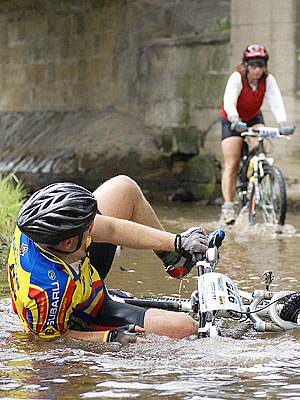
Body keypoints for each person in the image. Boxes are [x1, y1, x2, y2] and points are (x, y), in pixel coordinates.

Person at [8, 175, 209, 345]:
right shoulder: (45, 294)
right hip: (84, 310)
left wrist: (176, 242)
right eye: (88, 227)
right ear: (68, 243)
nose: (93, 229)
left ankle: (174, 259)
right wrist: (108, 337)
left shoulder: (42, 229)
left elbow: (112, 229)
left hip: (79, 272)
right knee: (185, 327)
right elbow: (48, 340)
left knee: (123, 187)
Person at [220, 43, 288, 224]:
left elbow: (276, 102)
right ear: (246, 65)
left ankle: (254, 180)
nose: (256, 69)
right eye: (252, 64)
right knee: (232, 161)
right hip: (232, 119)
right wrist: (234, 119)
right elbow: (229, 100)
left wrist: (282, 123)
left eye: (260, 64)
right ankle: (228, 206)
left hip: (253, 118)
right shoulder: (237, 78)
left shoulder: (268, 80)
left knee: (262, 146)